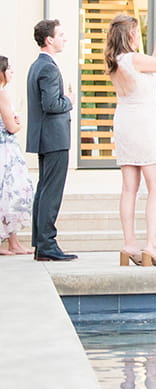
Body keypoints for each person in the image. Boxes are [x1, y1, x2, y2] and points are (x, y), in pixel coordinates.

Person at [106, 12, 156, 267]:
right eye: (137, 32)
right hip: (143, 126)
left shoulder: (117, 60)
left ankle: (129, 244)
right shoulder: (134, 59)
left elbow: (151, 62)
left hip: (125, 124)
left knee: (129, 188)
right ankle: (151, 245)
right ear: (130, 35)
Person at [25, 19, 76, 262]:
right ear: (49, 40)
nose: (64, 38)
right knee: (51, 192)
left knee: (44, 190)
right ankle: (47, 244)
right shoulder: (48, 68)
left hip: (45, 137)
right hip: (54, 138)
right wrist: (69, 100)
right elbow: (51, 104)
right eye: (61, 35)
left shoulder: (37, 65)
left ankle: (41, 244)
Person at [0, 56, 34, 255]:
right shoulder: (2, 93)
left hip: (6, 147)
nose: (12, 71)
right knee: (12, 192)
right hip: (6, 149)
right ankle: (10, 242)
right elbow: (12, 126)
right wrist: (19, 123)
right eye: (9, 68)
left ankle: (13, 242)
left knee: (9, 193)